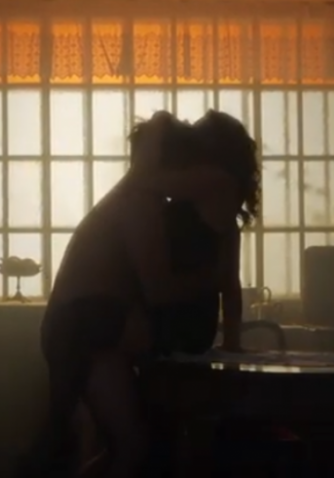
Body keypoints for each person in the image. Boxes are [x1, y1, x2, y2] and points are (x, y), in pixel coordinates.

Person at [35, 110, 261, 478]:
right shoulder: (157, 201)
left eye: (197, 131)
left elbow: (212, 281)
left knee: (132, 445)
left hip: (122, 322)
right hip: (110, 322)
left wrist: (157, 127)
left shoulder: (202, 184)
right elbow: (215, 283)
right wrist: (231, 339)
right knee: (136, 445)